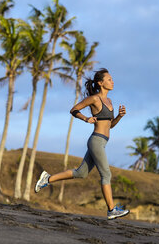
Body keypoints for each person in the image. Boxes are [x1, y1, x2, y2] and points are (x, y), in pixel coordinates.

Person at [34, 68, 130, 220]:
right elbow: (74, 110)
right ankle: (111, 209)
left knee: (81, 173)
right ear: (100, 83)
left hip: (102, 142)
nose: (112, 82)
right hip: (96, 141)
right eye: (109, 79)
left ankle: (47, 179)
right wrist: (86, 119)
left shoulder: (109, 101)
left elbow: (110, 125)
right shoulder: (94, 99)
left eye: (112, 79)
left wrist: (119, 116)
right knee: (106, 174)